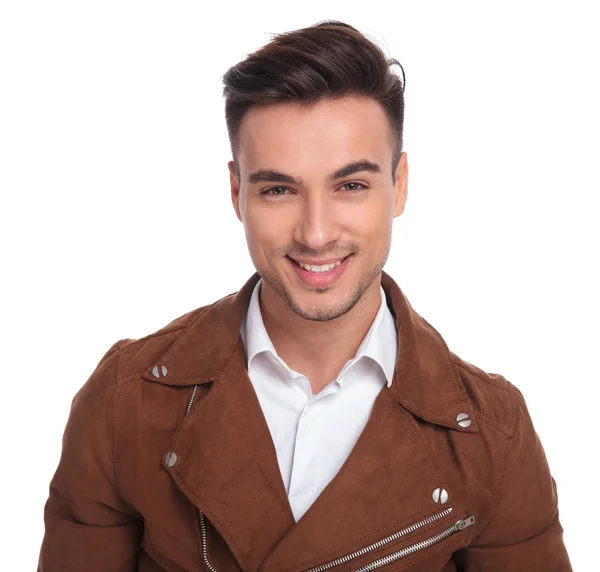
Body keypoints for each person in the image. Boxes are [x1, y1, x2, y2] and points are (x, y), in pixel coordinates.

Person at [38, 20, 572, 572]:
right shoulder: (126, 401)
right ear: (236, 193)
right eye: (278, 190)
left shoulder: (492, 434)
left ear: (401, 185)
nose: (316, 233)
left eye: (351, 185)